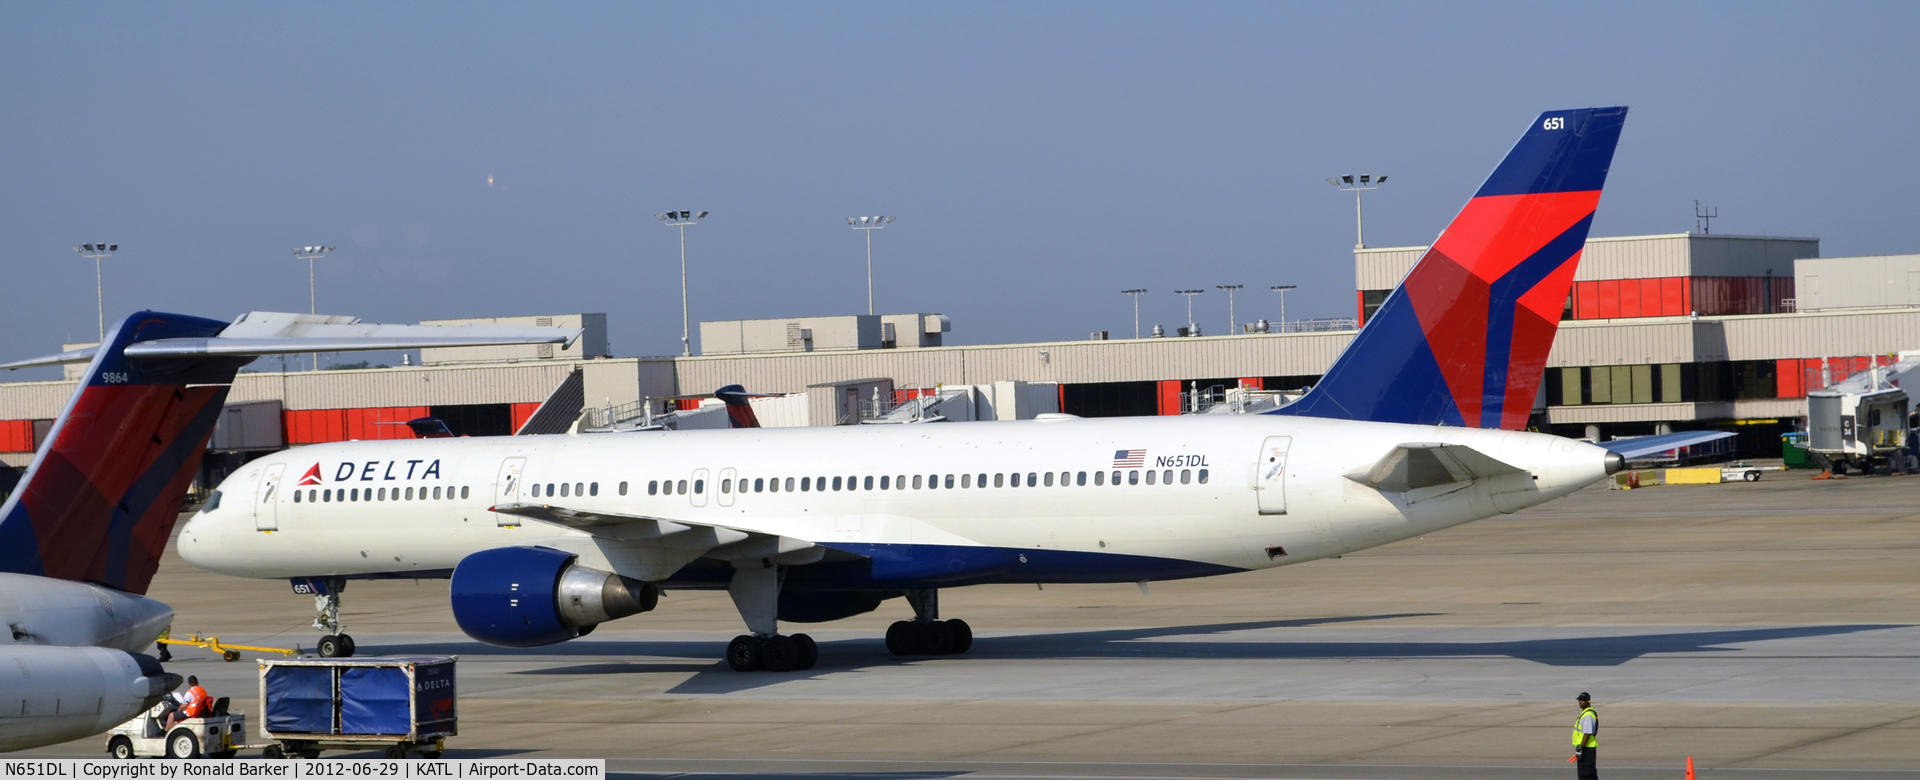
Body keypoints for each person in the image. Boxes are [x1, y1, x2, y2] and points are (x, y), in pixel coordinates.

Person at [1569, 691, 1599, 779]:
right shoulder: (1585, 714)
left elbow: (1588, 733)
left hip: (1587, 749)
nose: (1581, 702)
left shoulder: (1588, 715)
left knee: (1587, 774)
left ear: (1588, 701)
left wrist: (1581, 747)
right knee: (1584, 773)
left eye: (1583, 700)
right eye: (1579, 700)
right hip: (1584, 748)